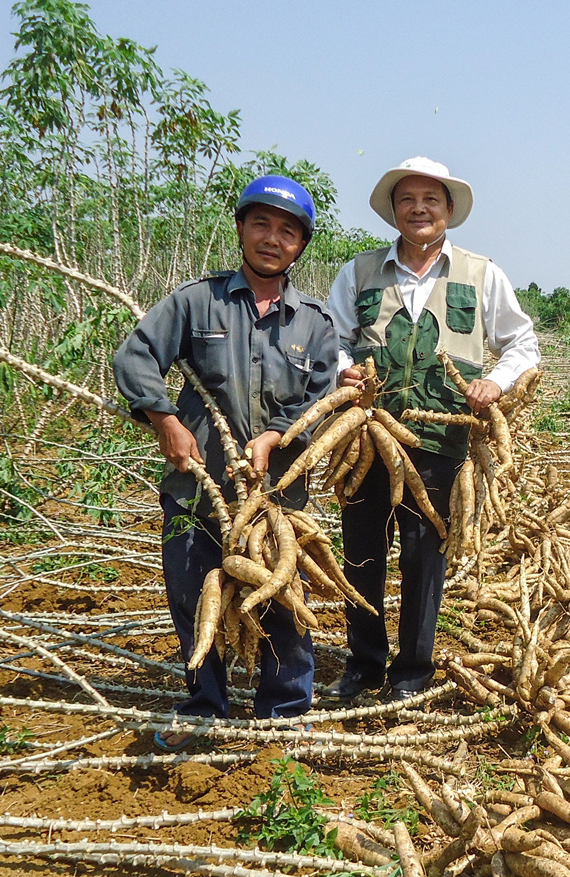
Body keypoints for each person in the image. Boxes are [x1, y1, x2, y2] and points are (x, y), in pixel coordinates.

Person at [113, 175, 337, 747]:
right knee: (193, 598)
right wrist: (164, 419)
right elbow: (136, 356)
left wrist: (275, 435)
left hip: (274, 499)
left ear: (300, 245)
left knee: (282, 598)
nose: (272, 238)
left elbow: (319, 398)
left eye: (287, 231)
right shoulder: (196, 301)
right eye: (260, 224)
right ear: (240, 228)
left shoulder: (314, 323)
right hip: (197, 488)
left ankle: (285, 712)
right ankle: (204, 707)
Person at [322, 157, 542, 704]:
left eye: (430, 200)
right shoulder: (359, 271)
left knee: (426, 554)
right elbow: (329, 338)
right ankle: (365, 662)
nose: (418, 209)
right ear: (394, 211)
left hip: (441, 440)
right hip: (366, 434)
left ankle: (412, 669)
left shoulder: (481, 273)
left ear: (448, 211)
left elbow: (523, 342)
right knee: (362, 552)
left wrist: (494, 382)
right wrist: (342, 367)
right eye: (407, 200)